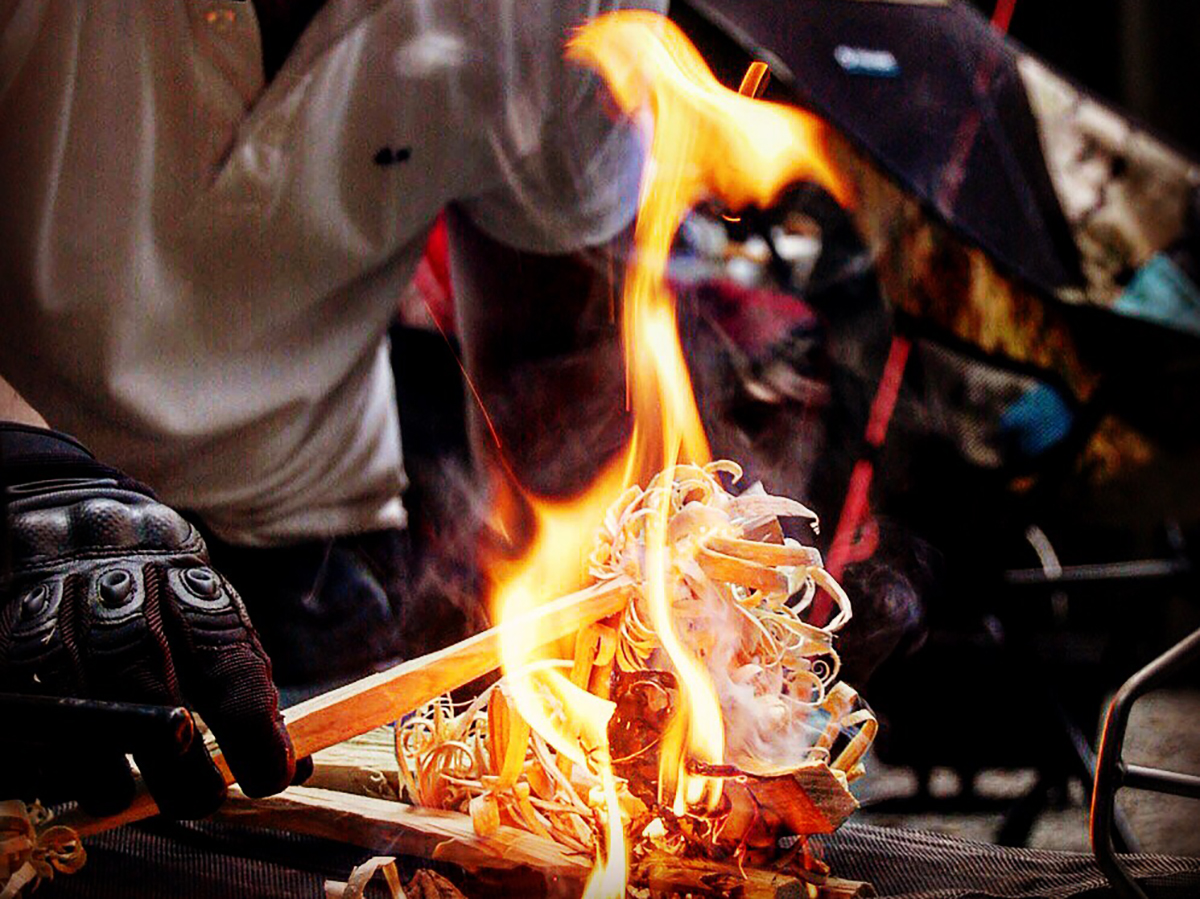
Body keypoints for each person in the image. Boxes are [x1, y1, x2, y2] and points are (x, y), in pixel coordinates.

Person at [0, 0, 659, 820]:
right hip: (26, 535)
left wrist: (631, 616)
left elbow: (554, 364)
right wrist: (26, 478)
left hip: (310, 551)